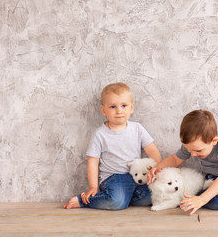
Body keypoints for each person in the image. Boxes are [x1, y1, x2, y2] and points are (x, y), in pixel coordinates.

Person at [64, 82, 161, 210]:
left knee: (155, 196)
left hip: (136, 176)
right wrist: (93, 187)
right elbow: (93, 162)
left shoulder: (137, 129)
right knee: (117, 203)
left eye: (124, 105)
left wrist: (156, 169)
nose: (119, 111)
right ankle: (84, 201)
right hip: (114, 178)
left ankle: (123, 198)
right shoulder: (100, 134)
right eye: (113, 107)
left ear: (131, 108)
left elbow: (152, 150)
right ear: (104, 110)